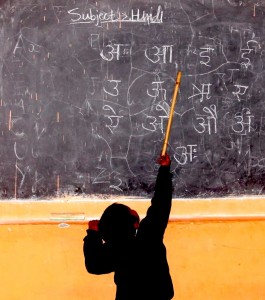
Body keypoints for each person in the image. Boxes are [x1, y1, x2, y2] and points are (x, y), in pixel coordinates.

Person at [83, 153, 174, 300]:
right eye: (131, 212)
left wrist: (93, 235)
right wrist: (164, 171)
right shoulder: (149, 236)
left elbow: (94, 265)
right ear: (135, 223)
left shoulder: (114, 249)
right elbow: (161, 204)